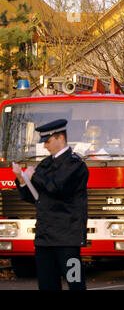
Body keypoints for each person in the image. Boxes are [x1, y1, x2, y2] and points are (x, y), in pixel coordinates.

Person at [12, 119, 89, 290]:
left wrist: (33, 176)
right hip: (45, 238)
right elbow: (34, 197)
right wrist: (21, 179)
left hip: (68, 239)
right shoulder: (46, 164)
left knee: (75, 283)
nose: (45, 146)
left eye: (47, 141)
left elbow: (57, 187)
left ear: (60, 138)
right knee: (47, 285)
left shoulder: (75, 165)